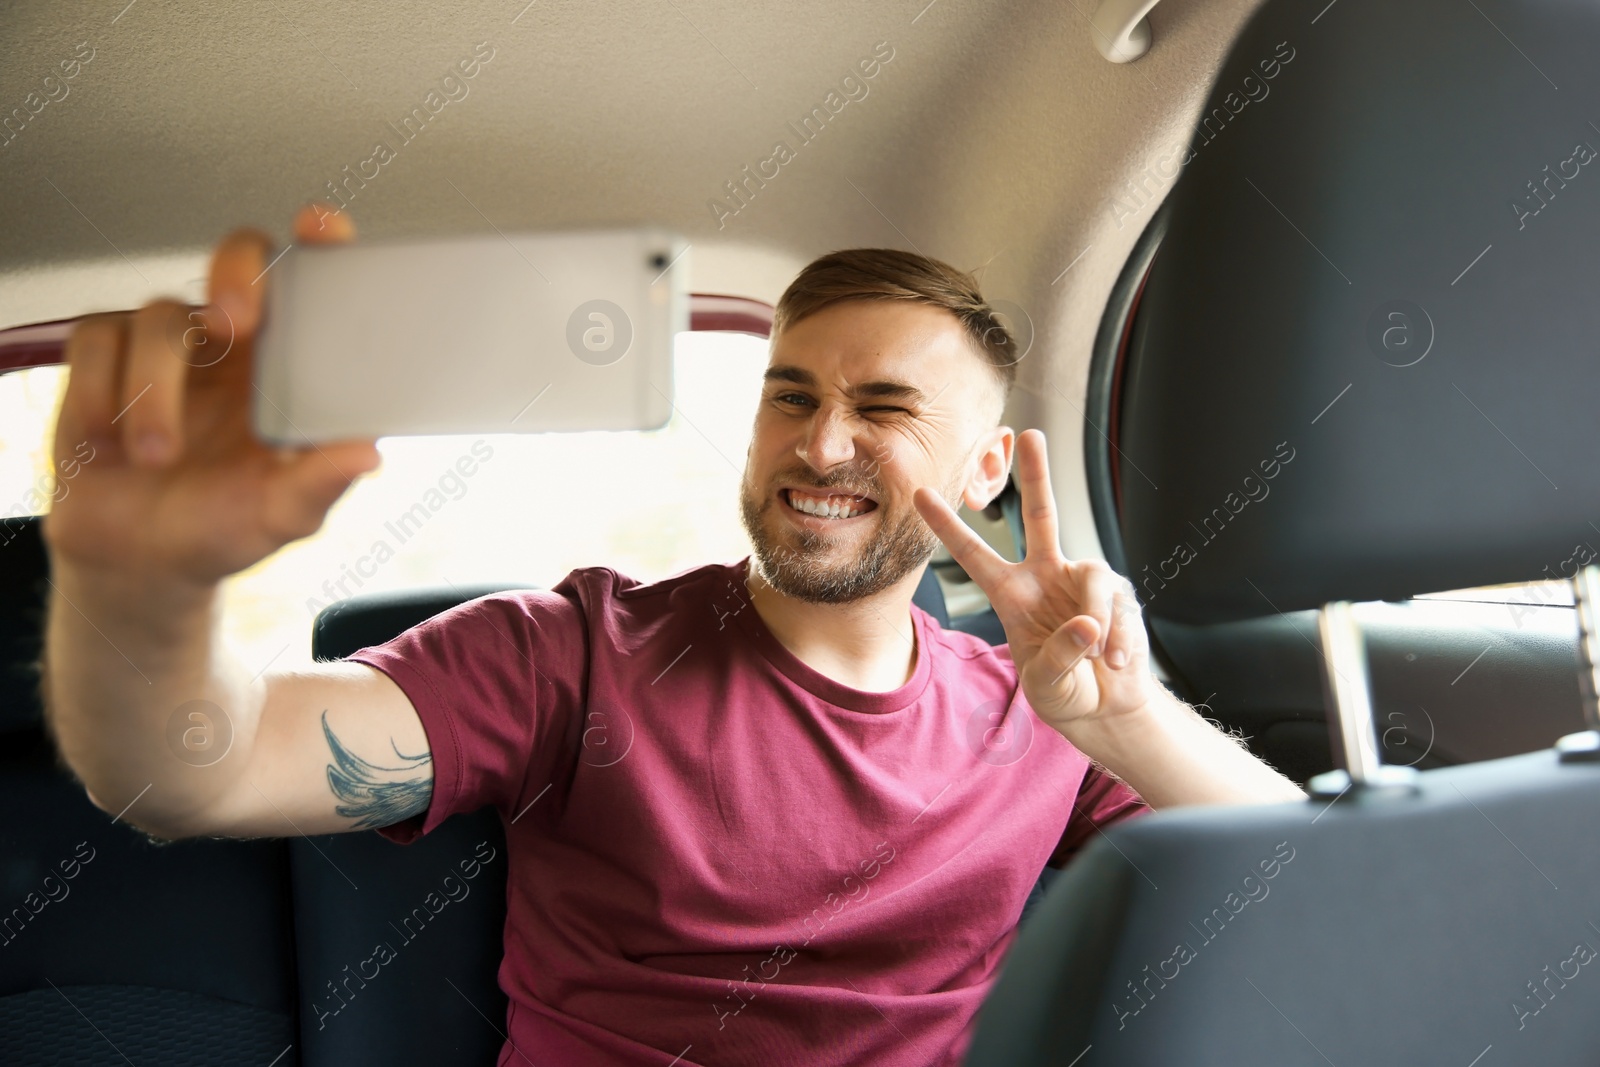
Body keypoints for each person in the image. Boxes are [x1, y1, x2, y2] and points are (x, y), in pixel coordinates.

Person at [41, 204, 1304, 1066]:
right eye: (790, 396)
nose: (819, 443)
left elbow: (1297, 876)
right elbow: (186, 768)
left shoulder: (1044, 706)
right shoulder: (568, 653)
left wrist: (1125, 720)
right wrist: (145, 588)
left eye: (883, 408)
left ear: (984, 471)